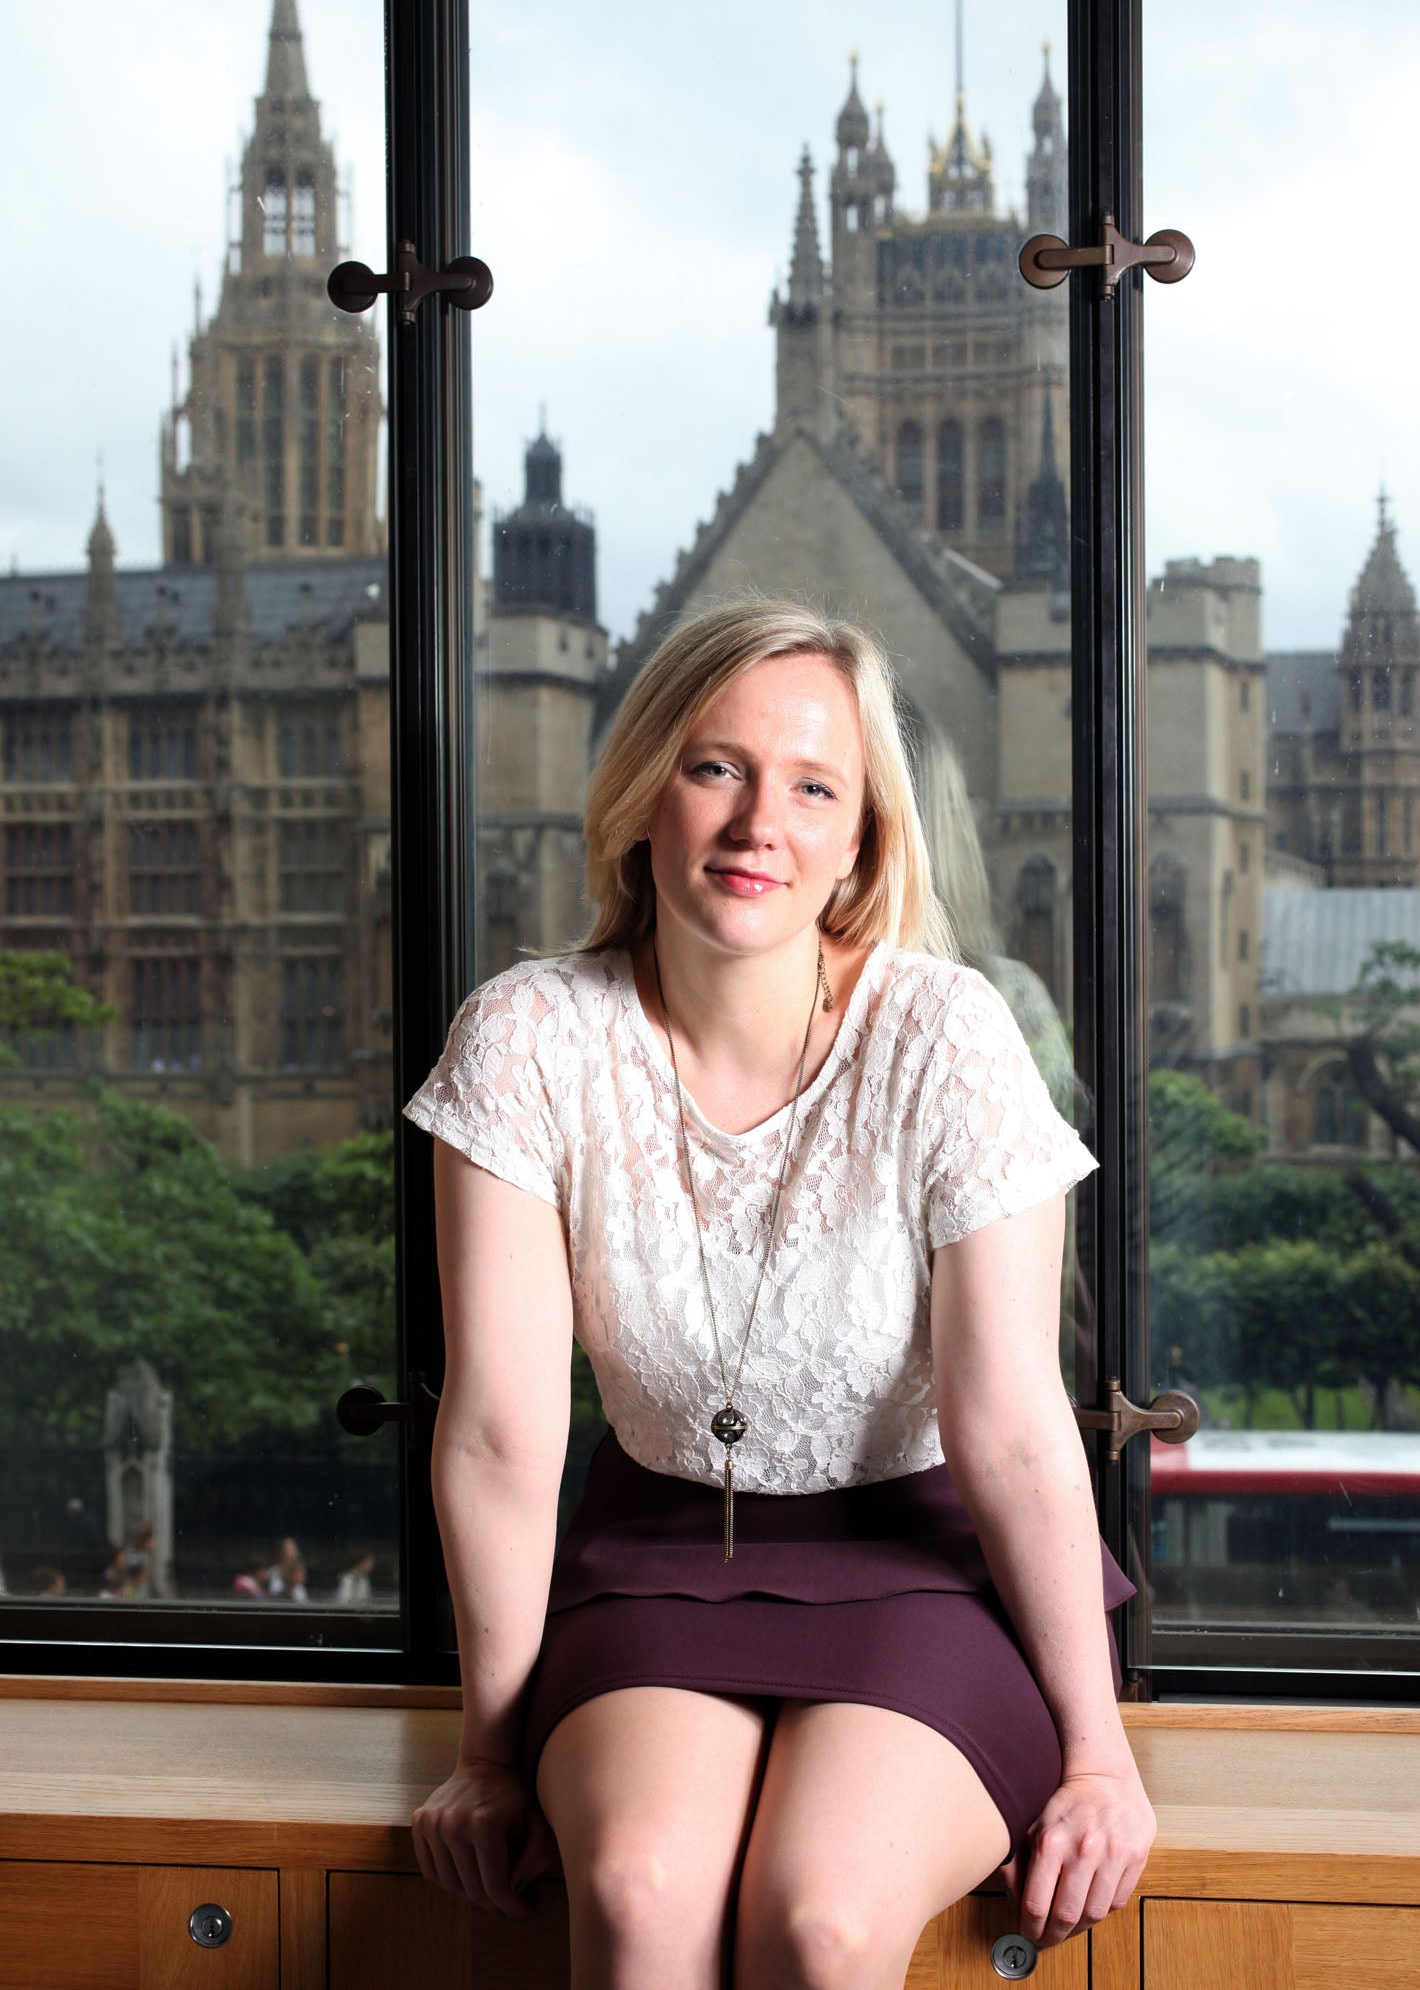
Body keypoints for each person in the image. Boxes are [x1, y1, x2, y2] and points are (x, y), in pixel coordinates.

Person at [402, 598, 1155, 1988]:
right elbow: (504, 1435)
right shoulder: (526, 1035)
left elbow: (1010, 1427)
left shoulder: (948, 1034)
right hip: (663, 1549)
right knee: (633, 1898)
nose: (762, 825)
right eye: (715, 768)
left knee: (821, 1920)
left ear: (866, 835)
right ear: (643, 793)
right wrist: (485, 1755)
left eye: (816, 786)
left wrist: (1099, 1753)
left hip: (931, 1564)